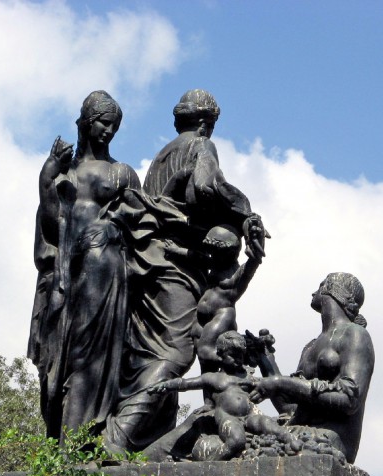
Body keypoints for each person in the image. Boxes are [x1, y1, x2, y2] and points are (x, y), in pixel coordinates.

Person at [105, 89, 268, 452]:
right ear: (205, 123)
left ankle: (145, 444)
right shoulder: (201, 147)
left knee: (148, 353)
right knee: (174, 354)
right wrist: (243, 213)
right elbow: (206, 186)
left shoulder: (160, 158)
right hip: (175, 264)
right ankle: (117, 437)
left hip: (148, 261)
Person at [28, 91, 144, 443]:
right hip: (67, 274)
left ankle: (84, 437)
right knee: (61, 359)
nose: (108, 131)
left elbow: (144, 222)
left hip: (106, 269)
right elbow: (50, 227)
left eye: (114, 126)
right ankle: (66, 437)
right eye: (103, 123)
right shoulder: (67, 174)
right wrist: (46, 179)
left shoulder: (121, 173)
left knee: (90, 355)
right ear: (86, 122)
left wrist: (116, 225)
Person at [249, 273, 375, 464]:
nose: (313, 293)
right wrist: (265, 358)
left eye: (320, 286)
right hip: (297, 430)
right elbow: (290, 408)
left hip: (331, 439)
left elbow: (350, 399)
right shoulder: (310, 347)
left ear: (332, 290)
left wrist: (280, 383)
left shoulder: (356, 335)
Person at [144, 331, 300, 462]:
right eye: (233, 356)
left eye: (240, 356)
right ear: (220, 354)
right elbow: (186, 384)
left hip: (250, 414)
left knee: (268, 424)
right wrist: (165, 385)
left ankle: (291, 441)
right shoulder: (213, 378)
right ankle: (211, 465)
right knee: (237, 441)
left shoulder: (245, 375)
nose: (238, 360)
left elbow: (267, 385)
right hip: (227, 417)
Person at [191, 225, 261, 374]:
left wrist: (256, 238)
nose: (214, 256)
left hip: (221, 316)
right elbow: (199, 258)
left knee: (205, 353)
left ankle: (238, 367)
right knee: (205, 369)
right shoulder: (217, 264)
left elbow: (254, 261)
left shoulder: (237, 273)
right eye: (213, 253)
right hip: (201, 319)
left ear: (230, 253)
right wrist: (176, 251)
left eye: (218, 253)